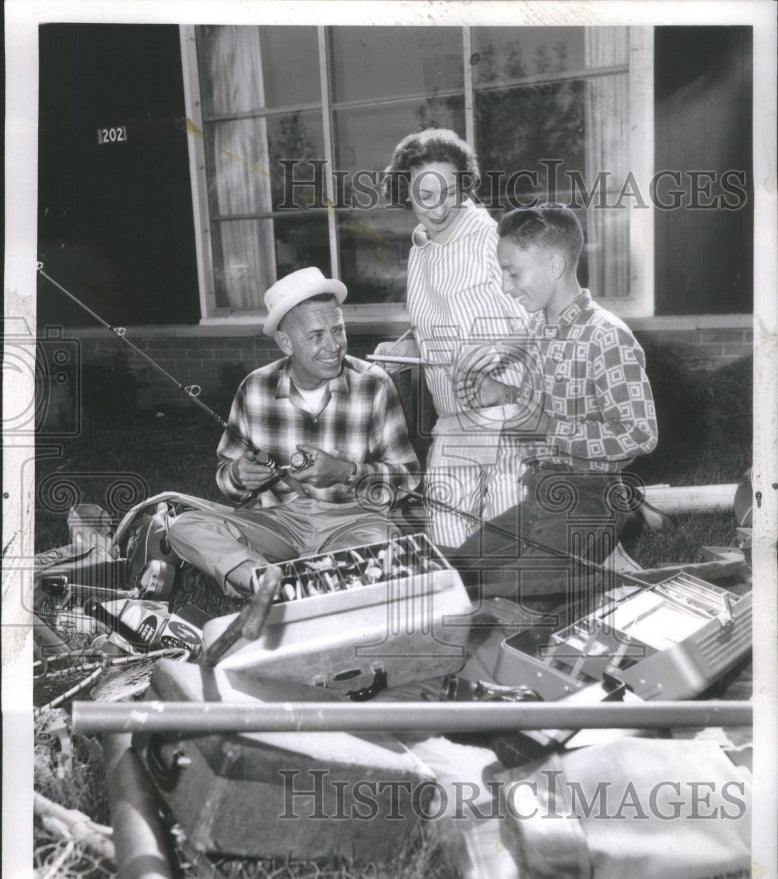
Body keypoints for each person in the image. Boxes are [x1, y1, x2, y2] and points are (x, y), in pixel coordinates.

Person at [446, 203, 658, 602]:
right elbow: (538, 412)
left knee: (503, 596)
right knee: (451, 574)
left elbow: (639, 434)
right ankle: (578, 587)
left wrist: (545, 426)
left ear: (556, 265)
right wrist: (498, 394)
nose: (507, 287)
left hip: (590, 501)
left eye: (513, 273)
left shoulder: (606, 336)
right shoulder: (539, 327)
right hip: (541, 496)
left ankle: (586, 591)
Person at [168, 267, 420, 596]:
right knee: (186, 526)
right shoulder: (255, 388)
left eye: (338, 330)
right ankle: (265, 582)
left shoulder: (374, 383)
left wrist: (347, 472)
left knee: (382, 541)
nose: (334, 346)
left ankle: (293, 584)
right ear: (286, 343)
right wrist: (240, 476)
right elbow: (225, 477)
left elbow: (409, 478)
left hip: (354, 519)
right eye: (316, 336)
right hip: (278, 522)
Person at [377, 129, 529, 549]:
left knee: (504, 541)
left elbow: (546, 320)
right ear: (405, 192)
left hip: (507, 416)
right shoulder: (420, 250)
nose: (439, 206)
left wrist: (501, 371)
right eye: (425, 194)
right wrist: (408, 343)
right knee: (446, 535)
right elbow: (437, 319)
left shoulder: (490, 239)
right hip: (452, 417)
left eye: (449, 191)